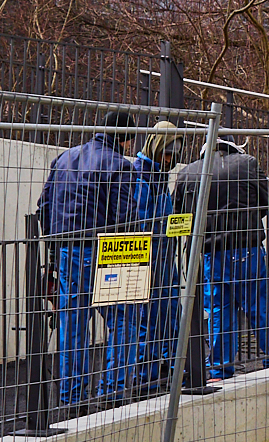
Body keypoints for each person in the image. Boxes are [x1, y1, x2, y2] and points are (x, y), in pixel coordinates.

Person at [37, 110, 139, 407]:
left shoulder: (64, 159)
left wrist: (55, 252)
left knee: (73, 322)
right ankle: (113, 391)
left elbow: (45, 206)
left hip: (67, 249)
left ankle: (72, 397)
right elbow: (126, 220)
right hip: (104, 250)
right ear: (124, 138)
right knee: (123, 318)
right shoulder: (120, 166)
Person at [171, 134, 269, 379]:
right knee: (260, 305)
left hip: (210, 251)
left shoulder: (188, 173)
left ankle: (220, 366)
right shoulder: (247, 163)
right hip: (246, 246)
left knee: (218, 309)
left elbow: (179, 211)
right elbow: (268, 200)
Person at [129, 121, 184, 385]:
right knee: (146, 318)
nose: (170, 159)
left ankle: (172, 365)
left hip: (164, 256)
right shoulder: (141, 175)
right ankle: (145, 376)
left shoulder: (158, 176)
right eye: (167, 153)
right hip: (149, 257)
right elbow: (141, 220)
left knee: (170, 310)